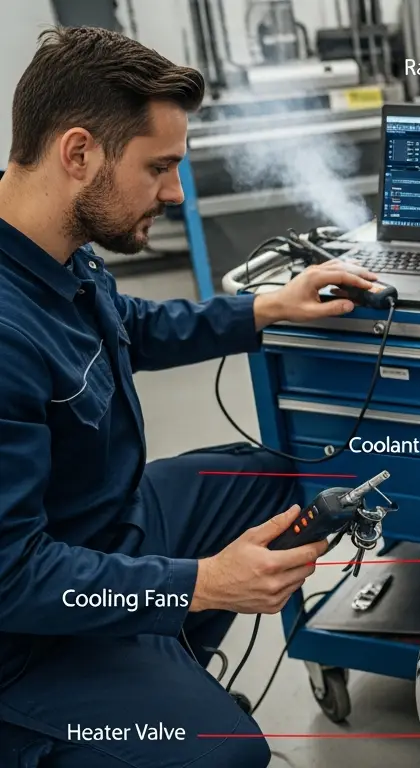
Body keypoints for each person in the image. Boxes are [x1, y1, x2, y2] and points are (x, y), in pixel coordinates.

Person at [0, 27, 381, 767]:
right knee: (228, 753)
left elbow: (130, 327)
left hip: (111, 529)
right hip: (31, 634)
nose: (175, 193)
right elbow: (12, 578)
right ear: (78, 154)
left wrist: (264, 309)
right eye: (160, 168)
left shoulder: (56, 247)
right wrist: (199, 585)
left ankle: (158, 662)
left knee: (268, 482)